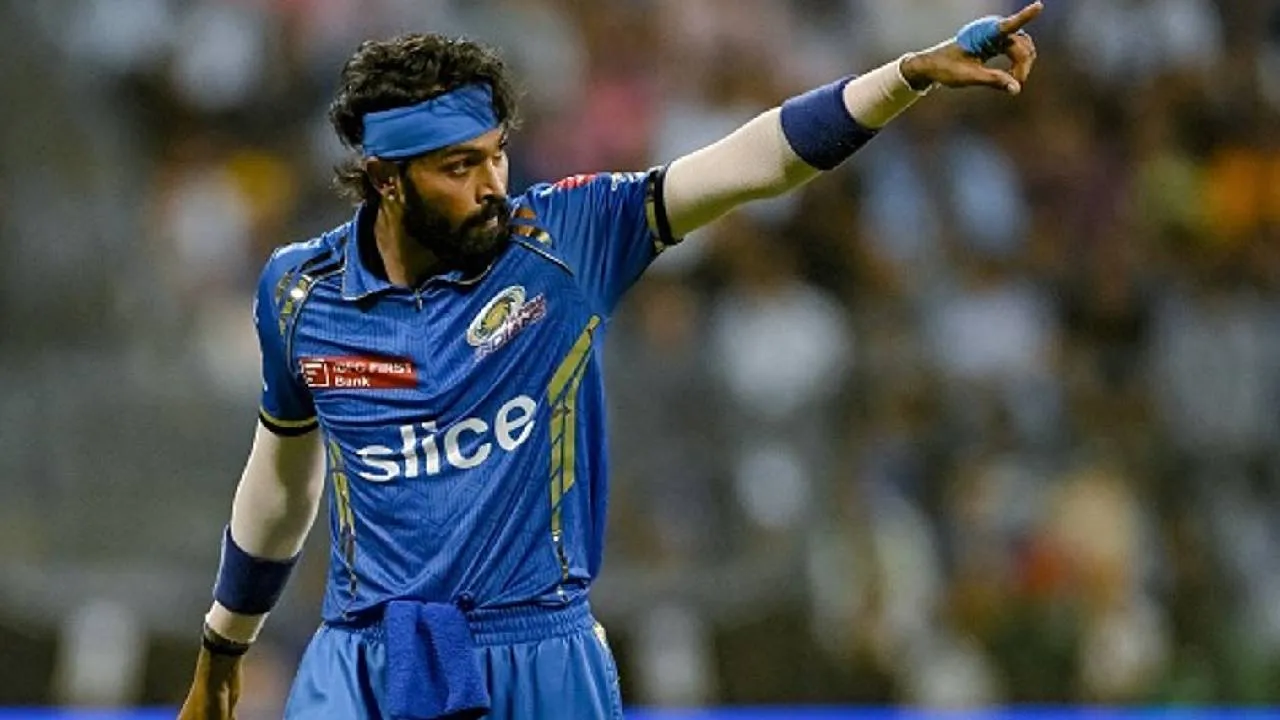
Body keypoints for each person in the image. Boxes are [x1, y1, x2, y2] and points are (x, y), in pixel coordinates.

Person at [178, 5, 1041, 719]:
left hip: (541, 657)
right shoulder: (300, 293)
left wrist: (905, 77)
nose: (493, 185)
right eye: (459, 167)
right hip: (366, 660)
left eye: (496, 154)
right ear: (386, 179)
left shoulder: (566, 241)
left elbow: (755, 164)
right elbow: (282, 482)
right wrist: (224, 645)